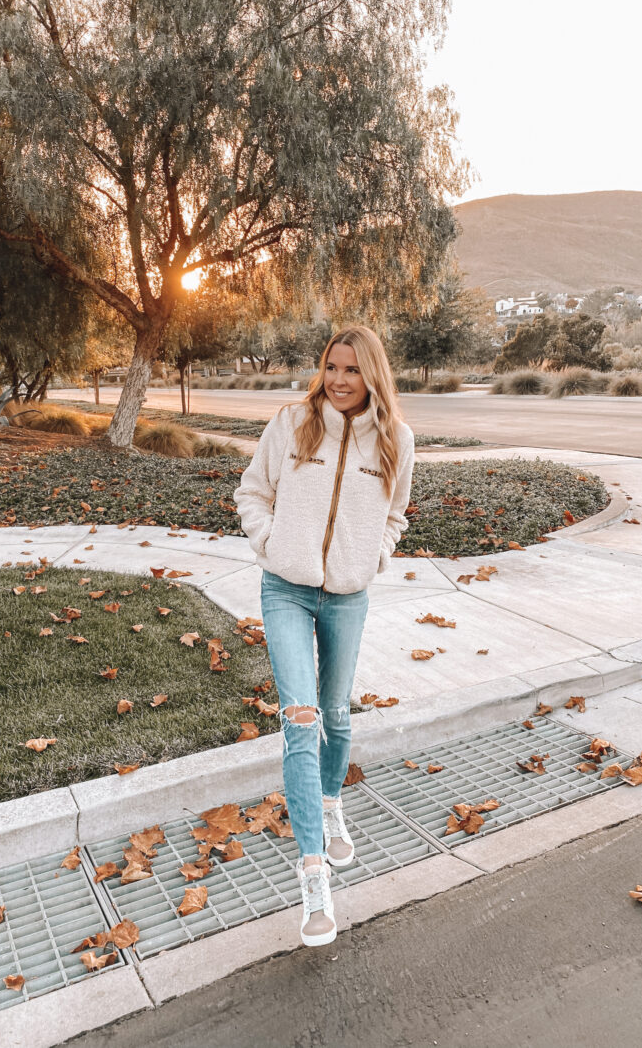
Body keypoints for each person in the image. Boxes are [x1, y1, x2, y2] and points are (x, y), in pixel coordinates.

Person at [232, 325, 415, 947]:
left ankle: (331, 802)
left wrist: (373, 556)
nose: (338, 380)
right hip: (285, 587)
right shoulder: (292, 423)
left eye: (352, 370)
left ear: (373, 376)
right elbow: (252, 491)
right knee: (301, 719)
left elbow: (397, 513)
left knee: (337, 715)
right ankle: (315, 877)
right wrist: (269, 541)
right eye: (332, 367)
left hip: (347, 595)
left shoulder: (397, 439)